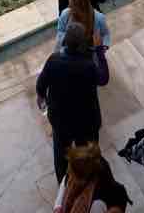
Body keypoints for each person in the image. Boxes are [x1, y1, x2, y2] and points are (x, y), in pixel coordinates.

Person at [36, 22, 111, 182]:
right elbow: (104, 78)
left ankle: (63, 184)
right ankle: (90, 180)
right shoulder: (88, 66)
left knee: (61, 155)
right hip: (86, 122)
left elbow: (41, 85)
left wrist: (41, 97)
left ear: (66, 42)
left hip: (61, 121)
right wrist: (99, 50)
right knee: (89, 154)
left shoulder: (53, 60)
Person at [52, 140, 130, 213]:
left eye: (71, 172)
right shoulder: (92, 162)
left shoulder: (96, 205)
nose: (68, 171)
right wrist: (58, 206)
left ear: (81, 180)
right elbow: (65, 180)